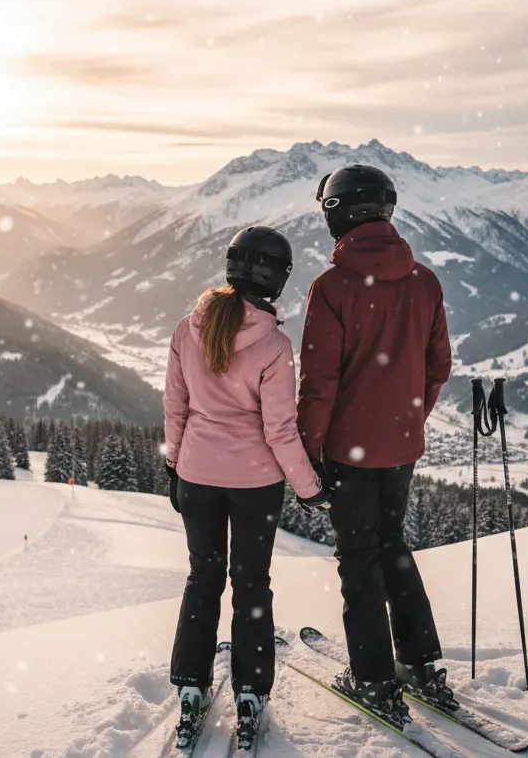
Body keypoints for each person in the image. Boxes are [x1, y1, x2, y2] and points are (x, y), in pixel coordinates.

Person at [297, 164, 454, 723]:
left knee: (359, 560)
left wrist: (309, 453)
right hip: (400, 448)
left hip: (348, 452)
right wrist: (409, 419)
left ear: (335, 212)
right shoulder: (425, 281)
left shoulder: (331, 286)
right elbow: (439, 366)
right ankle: (421, 664)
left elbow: (319, 383)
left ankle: (372, 679)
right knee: (393, 548)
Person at [164, 225, 330, 747]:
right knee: (251, 583)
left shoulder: (186, 328)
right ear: (276, 279)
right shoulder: (274, 345)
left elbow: (176, 407)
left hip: (197, 476)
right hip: (255, 484)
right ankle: (250, 691)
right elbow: (280, 429)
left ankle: (190, 685)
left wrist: (176, 465)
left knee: (202, 579)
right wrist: (309, 488)